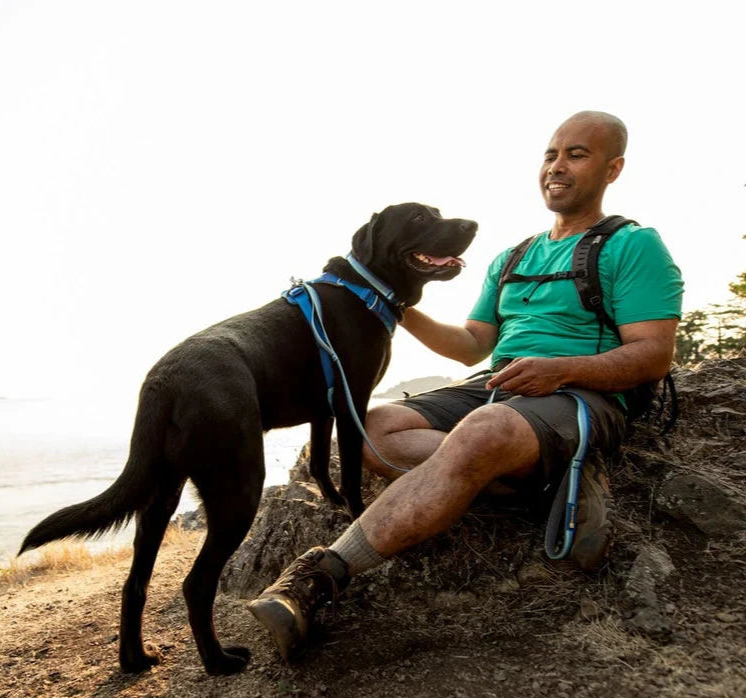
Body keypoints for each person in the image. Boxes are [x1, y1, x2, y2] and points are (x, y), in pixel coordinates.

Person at [247, 110, 684, 662]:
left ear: (612, 168)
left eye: (577, 154)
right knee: (373, 427)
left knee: (484, 430)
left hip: (582, 397)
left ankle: (320, 578)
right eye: (551, 154)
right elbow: (473, 344)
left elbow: (653, 354)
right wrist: (391, 303)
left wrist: (562, 370)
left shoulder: (633, 246)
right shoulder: (514, 257)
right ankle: (542, 481)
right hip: (498, 387)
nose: (557, 166)